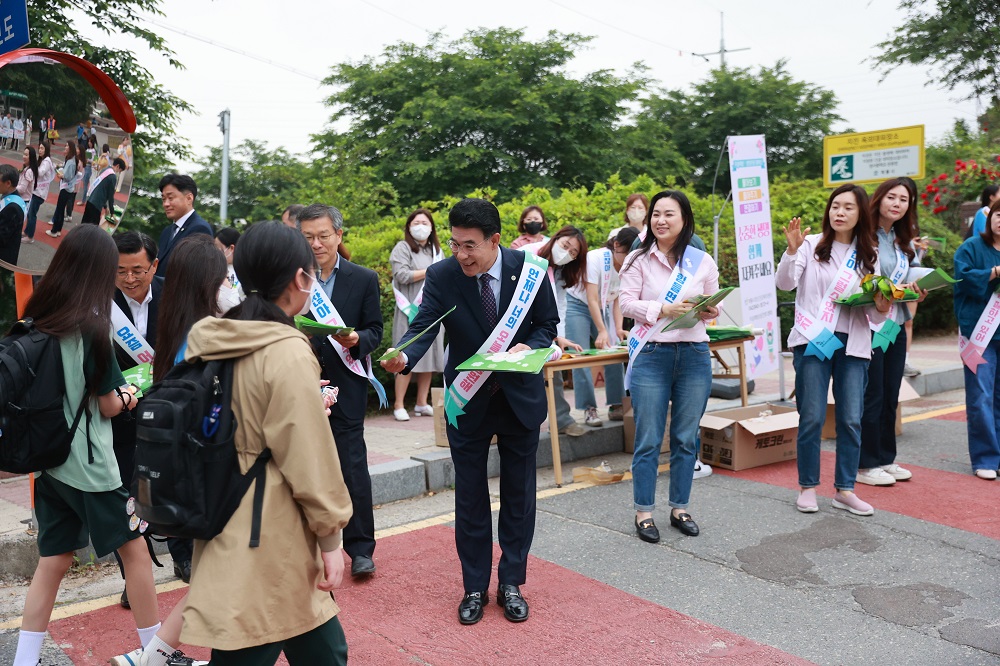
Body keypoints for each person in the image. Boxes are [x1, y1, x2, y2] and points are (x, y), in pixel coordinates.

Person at [173, 221, 351, 664]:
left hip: (221, 506)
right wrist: (332, 541)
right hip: (270, 525)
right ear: (299, 279)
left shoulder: (213, 337)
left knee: (320, 648)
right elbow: (310, 459)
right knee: (257, 644)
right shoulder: (287, 351)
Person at [382, 198, 559, 626]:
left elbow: (546, 325)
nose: (461, 254)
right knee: (471, 499)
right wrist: (403, 357)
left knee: (519, 498)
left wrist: (528, 346)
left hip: (518, 399)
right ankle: (474, 586)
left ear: (494, 240)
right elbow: (424, 325)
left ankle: (511, 582)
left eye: (470, 246)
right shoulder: (443, 274)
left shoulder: (530, 270)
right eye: (455, 244)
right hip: (468, 401)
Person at [10, 225, 162, 666]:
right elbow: (109, 405)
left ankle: (24, 660)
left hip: (51, 461)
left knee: (53, 561)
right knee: (136, 552)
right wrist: (130, 394)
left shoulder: (39, 318)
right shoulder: (92, 327)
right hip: (92, 467)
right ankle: (158, 655)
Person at [776, 184, 891, 517]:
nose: (839, 212)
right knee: (811, 416)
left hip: (854, 344)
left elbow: (874, 315)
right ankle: (808, 487)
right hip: (814, 339)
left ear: (861, 214)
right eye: (835, 206)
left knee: (851, 419)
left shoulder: (869, 255)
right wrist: (791, 251)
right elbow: (784, 283)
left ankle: (845, 490)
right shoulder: (810, 245)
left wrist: (883, 306)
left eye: (848, 207)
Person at [618, 191, 719, 543]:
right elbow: (626, 304)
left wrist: (710, 310)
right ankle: (644, 512)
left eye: (669, 214)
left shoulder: (702, 260)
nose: (660, 220)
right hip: (652, 355)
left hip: (694, 354)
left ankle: (680, 508)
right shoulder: (637, 258)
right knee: (648, 438)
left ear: (684, 219)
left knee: (686, 437)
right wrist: (662, 309)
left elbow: (713, 303)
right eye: (656, 214)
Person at [298, 204, 384, 579]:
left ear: (338, 235)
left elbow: (375, 330)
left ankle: (361, 549)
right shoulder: (292, 277)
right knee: (303, 468)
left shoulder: (362, 278)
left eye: (323, 236)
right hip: (300, 385)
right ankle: (307, 547)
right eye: (307, 237)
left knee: (352, 468)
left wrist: (357, 339)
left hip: (345, 385)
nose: (316, 244)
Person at [857, 179, 928, 487]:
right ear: (879, 199)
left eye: (904, 200)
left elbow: (911, 276)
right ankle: (865, 464)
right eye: (892, 197)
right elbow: (860, 279)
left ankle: (886, 458)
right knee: (872, 394)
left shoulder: (903, 241)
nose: (897, 204)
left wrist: (918, 290)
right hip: (869, 324)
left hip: (895, 324)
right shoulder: (863, 235)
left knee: (890, 394)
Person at [110, 231, 163, 607]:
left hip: (167, 409)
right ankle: (134, 576)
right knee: (126, 493)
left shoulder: (173, 294)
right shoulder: (100, 301)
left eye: (138, 270)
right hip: (120, 414)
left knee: (174, 482)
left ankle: (184, 557)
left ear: (154, 266)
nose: (129, 279)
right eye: (121, 271)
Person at [565, 226, 637, 425]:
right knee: (579, 355)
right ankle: (589, 408)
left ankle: (616, 404)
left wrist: (618, 328)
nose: (631, 259)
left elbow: (618, 299)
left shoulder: (631, 266)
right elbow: (592, 298)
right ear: (617, 245)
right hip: (577, 304)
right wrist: (603, 330)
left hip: (603, 306)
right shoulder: (596, 258)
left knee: (612, 352)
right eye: (628, 254)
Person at [521, 226, 589, 435]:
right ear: (556, 238)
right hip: (517, 325)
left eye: (573, 253)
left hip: (541, 330)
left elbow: (560, 306)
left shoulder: (560, 270)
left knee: (555, 368)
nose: (566, 253)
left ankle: (561, 420)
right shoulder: (527, 255)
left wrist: (559, 337)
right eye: (565, 245)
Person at [953, 199, 1000, 480]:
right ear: (990, 217)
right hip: (980, 335)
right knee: (981, 395)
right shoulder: (971, 247)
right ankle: (985, 458)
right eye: (998, 214)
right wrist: (993, 272)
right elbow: (962, 279)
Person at [390, 208, 445, 421]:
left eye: (425, 223)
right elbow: (402, 275)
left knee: (429, 355)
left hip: (432, 310)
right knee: (404, 355)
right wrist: (431, 270)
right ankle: (399, 404)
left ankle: (422, 403)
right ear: (409, 227)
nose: (420, 227)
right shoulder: (402, 248)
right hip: (409, 310)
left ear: (431, 227)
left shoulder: (436, 251)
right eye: (416, 223)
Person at [155, 173, 213, 277]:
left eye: (170, 198)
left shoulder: (199, 229)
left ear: (189, 198)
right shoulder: (167, 231)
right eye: (163, 199)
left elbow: (195, 272)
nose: (166, 204)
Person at [22, 140, 54, 244]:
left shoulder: (46, 161)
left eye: (42, 148)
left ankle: (30, 236)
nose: (40, 150)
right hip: (36, 191)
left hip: (39, 193)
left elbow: (40, 173)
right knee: (30, 213)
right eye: (39, 148)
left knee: (32, 214)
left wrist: (33, 165)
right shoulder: (43, 160)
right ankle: (27, 231)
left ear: (46, 150)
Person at [81, 157, 126, 226]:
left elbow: (102, 188)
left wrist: (105, 207)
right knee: (93, 227)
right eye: (120, 170)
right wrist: (112, 212)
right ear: (117, 166)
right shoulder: (113, 177)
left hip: (90, 199)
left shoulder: (105, 169)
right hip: (97, 204)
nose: (118, 172)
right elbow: (110, 196)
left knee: (84, 224)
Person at [47, 141, 78, 237]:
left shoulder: (71, 162)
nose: (65, 147)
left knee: (59, 209)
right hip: (67, 188)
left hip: (66, 188)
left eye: (67, 146)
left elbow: (68, 176)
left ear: (71, 148)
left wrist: (61, 175)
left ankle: (54, 231)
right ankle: (58, 230)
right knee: (61, 209)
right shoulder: (70, 159)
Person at [214, 226, 244, 312]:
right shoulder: (216, 268)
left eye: (219, 249)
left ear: (231, 248)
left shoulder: (245, 271)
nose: (215, 254)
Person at [0, 164, 24, 266]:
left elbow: (2, 238)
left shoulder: (13, 208)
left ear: (8, 183)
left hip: (4, 259)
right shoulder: (12, 197)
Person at [78, 134, 97, 206]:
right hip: (86, 166)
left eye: (90, 142)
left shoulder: (94, 151)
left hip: (89, 167)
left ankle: (84, 200)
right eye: (88, 141)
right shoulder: (88, 150)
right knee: (85, 184)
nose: (89, 143)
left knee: (86, 184)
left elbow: (94, 161)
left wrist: (88, 160)